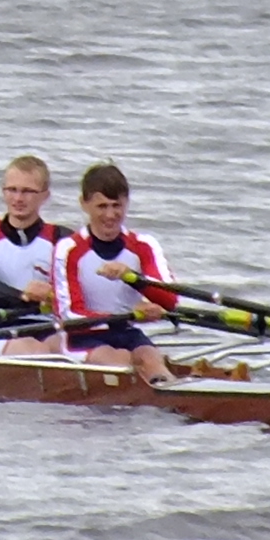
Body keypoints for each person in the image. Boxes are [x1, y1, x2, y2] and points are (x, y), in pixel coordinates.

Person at [59, 161, 179, 383]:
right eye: (102, 206)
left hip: (127, 332)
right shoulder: (69, 249)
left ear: (126, 203)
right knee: (122, 360)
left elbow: (170, 300)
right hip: (82, 338)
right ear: (84, 204)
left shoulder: (144, 245)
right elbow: (69, 314)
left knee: (151, 358)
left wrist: (134, 280)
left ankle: (175, 402)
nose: (111, 215)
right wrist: (129, 316)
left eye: (117, 206)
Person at [0, 156, 65, 345]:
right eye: (12, 190)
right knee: (33, 348)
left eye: (27, 191)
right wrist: (24, 296)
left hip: (49, 326)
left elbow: (78, 288)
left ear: (45, 196)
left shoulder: (62, 239)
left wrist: (54, 293)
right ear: (3, 192)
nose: (18, 198)